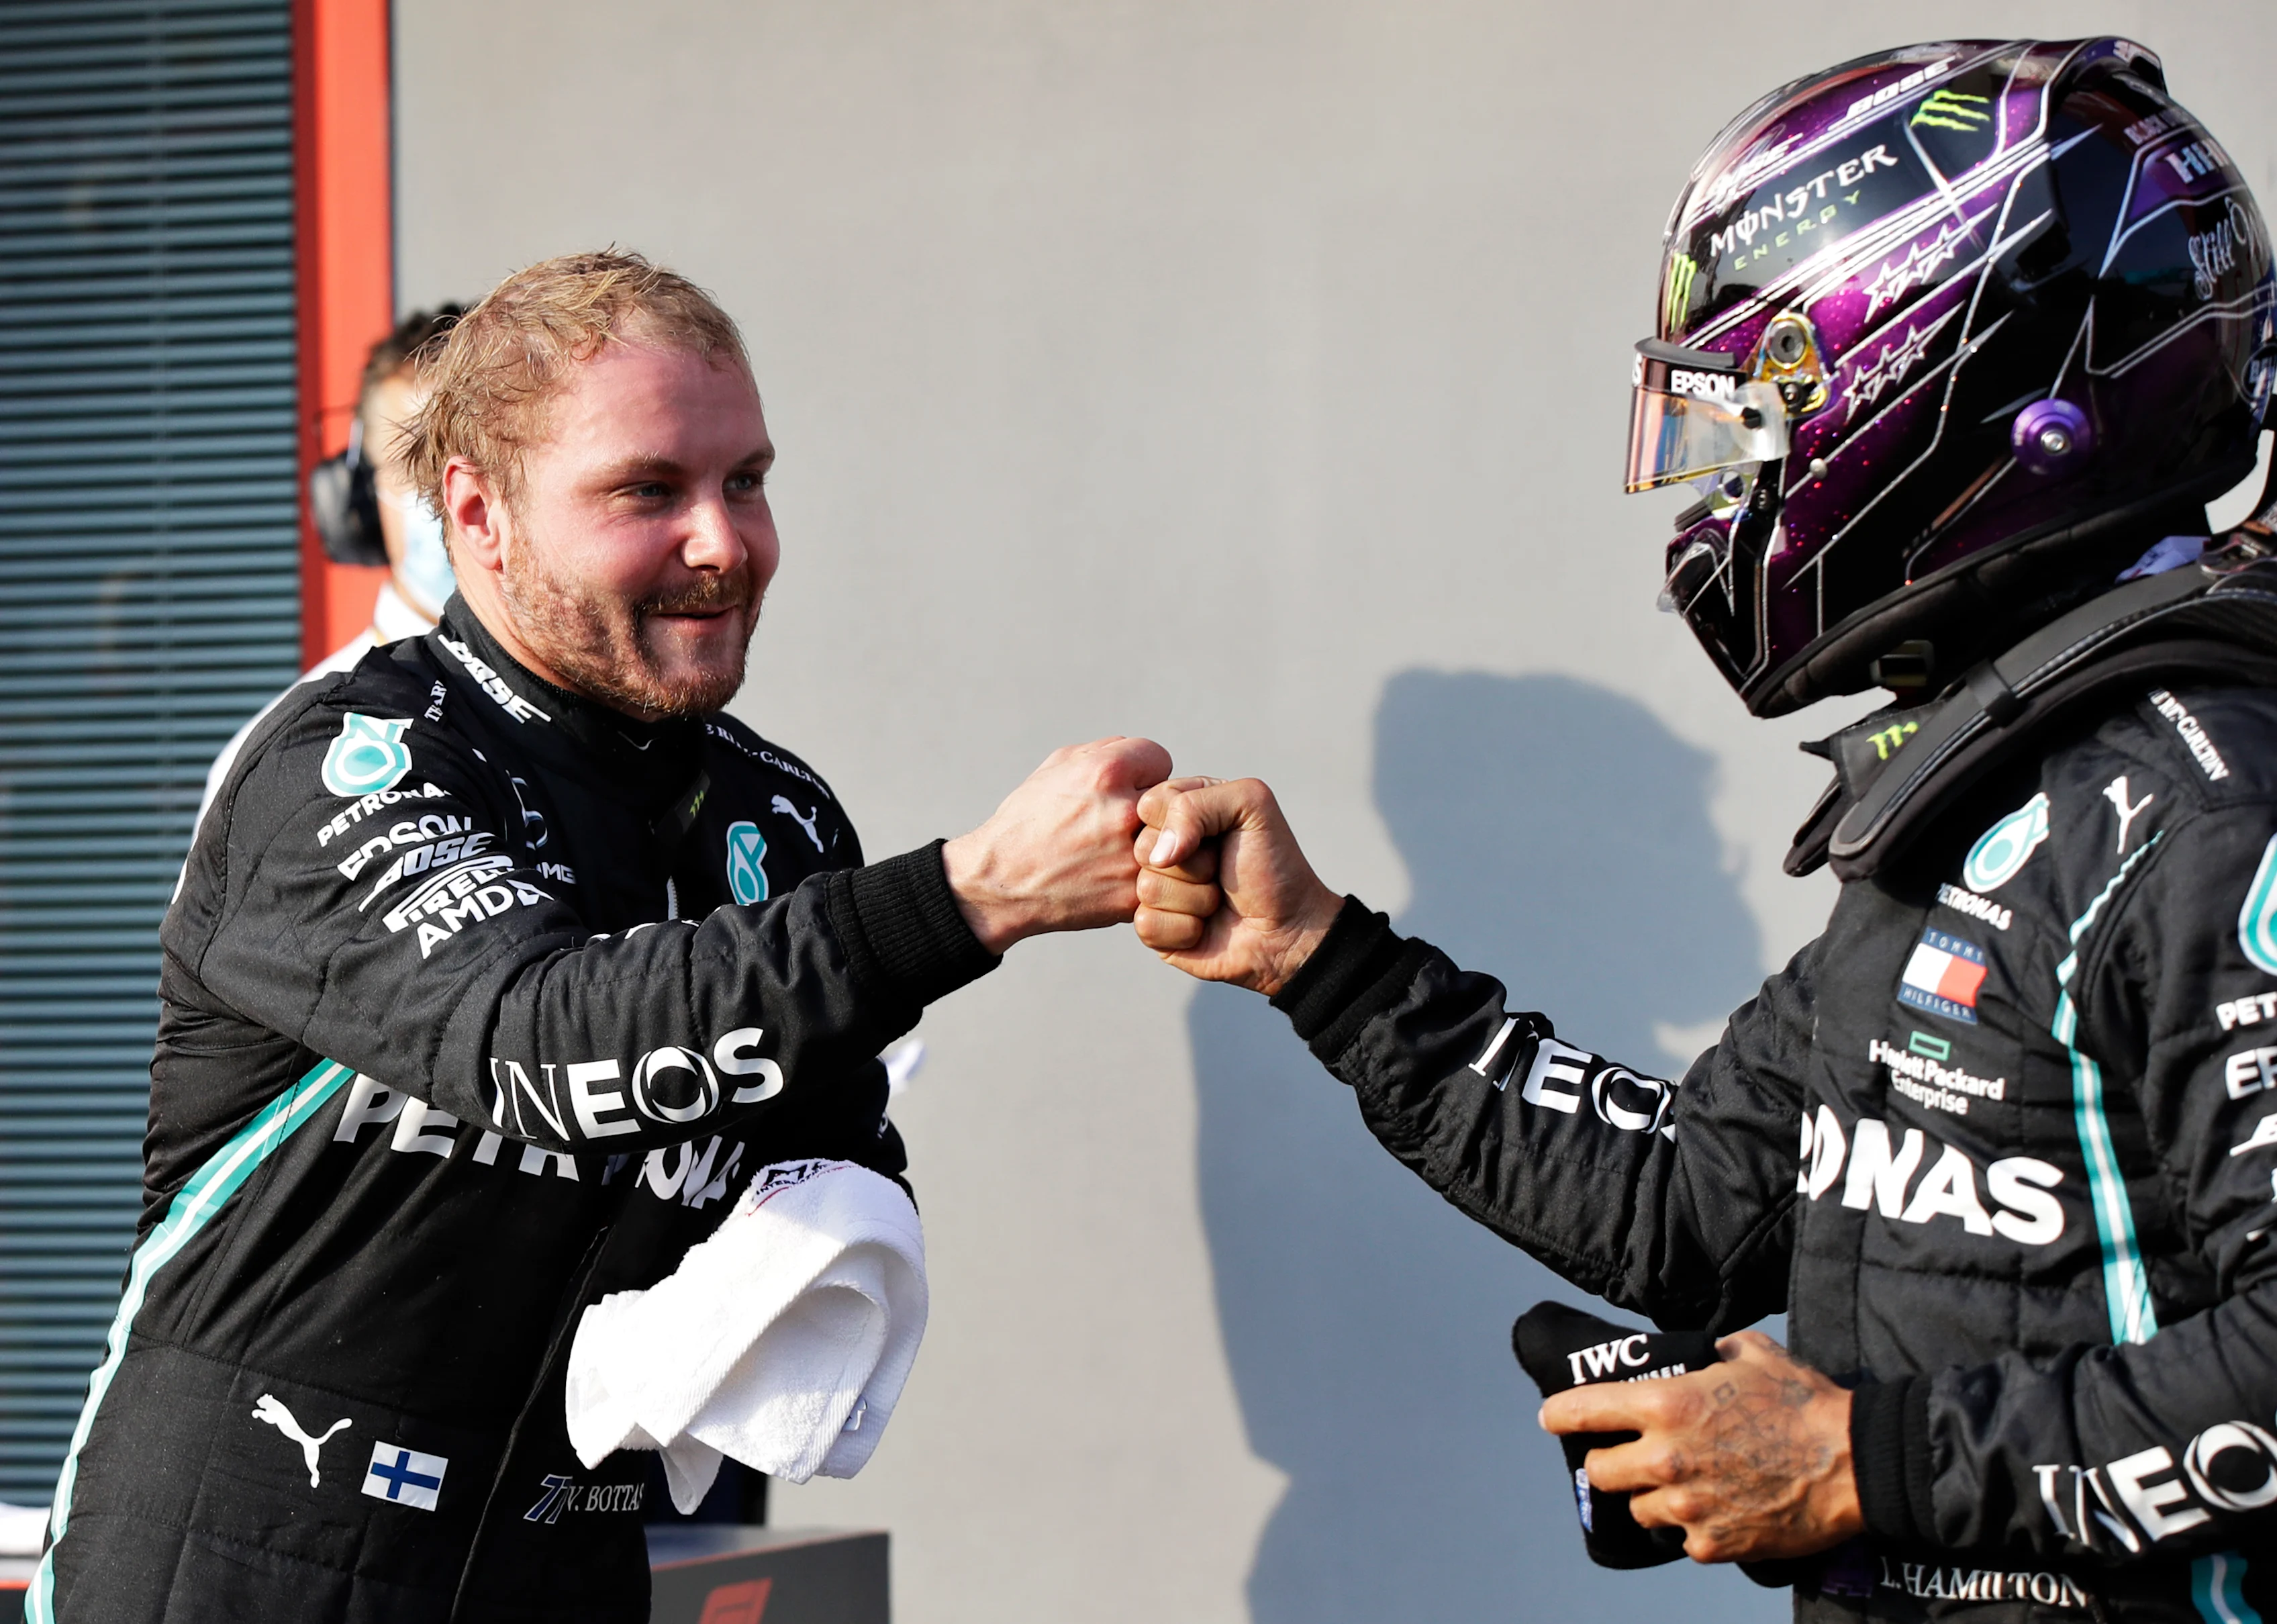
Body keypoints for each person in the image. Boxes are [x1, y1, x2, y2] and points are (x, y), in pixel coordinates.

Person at [1135, 38, 2277, 1623]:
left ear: (1952, 395)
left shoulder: (2203, 802)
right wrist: (1320, 962)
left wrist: (1857, 1459)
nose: (1720, 484)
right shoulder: (1983, 778)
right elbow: (1692, 1201)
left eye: (1752, 415)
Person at [31, 251, 1171, 1623]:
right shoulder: (354, 764)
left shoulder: (780, 814)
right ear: (479, 513)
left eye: (744, 480)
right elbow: (536, 1041)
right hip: (233, 1571)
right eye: (647, 491)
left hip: (558, 1564)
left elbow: (825, 1160)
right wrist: (976, 892)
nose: (723, 542)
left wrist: (821, 1259)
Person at [197, 305, 467, 822]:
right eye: (415, 464)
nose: (454, 495)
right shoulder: (282, 754)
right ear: (358, 500)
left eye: (475, 458)